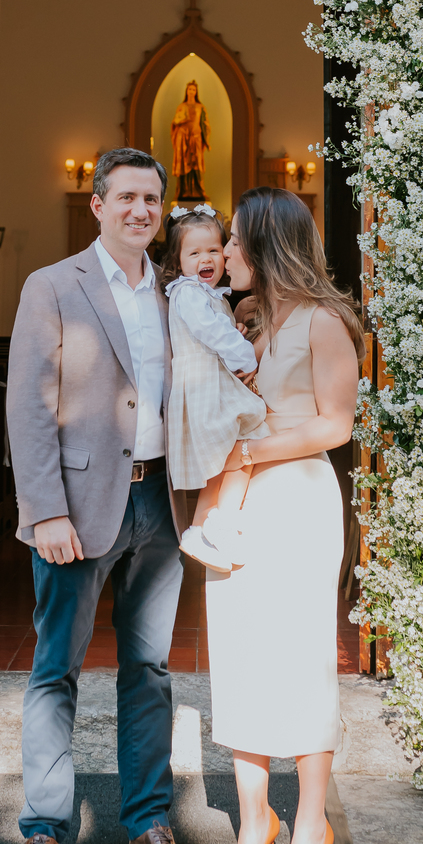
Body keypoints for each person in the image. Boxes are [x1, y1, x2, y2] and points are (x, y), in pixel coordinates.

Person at [2, 147, 198, 844]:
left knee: (148, 672)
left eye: (152, 200)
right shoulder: (53, 285)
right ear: (99, 205)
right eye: (127, 199)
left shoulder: (181, 294)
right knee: (57, 668)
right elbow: (28, 405)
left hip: (160, 506)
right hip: (78, 512)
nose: (141, 211)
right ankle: (42, 834)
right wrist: (44, 509)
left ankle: (149, 826)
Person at [207, 185, 363, 844]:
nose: (225, 252)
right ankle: (252, 825)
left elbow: (336, 426)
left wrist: (250, 455)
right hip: (244, 503)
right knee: (237, 653)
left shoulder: (324, 323)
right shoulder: (248, 322)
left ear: (268, 245)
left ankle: (309, 829)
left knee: (299, 657)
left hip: (297, 500)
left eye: (235, 241)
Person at [158, 203, 269, 573]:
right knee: (246, 437)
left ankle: (211, 525)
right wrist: (248, 358)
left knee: (234, 451)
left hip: (210, 385)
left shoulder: (210, 296)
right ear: (178, 260)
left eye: (213, 250)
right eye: (194, 252)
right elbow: (215, 335)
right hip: (204, 389)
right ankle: (217, 524)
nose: (206, 258)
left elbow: (218, 333)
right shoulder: (188, 293)